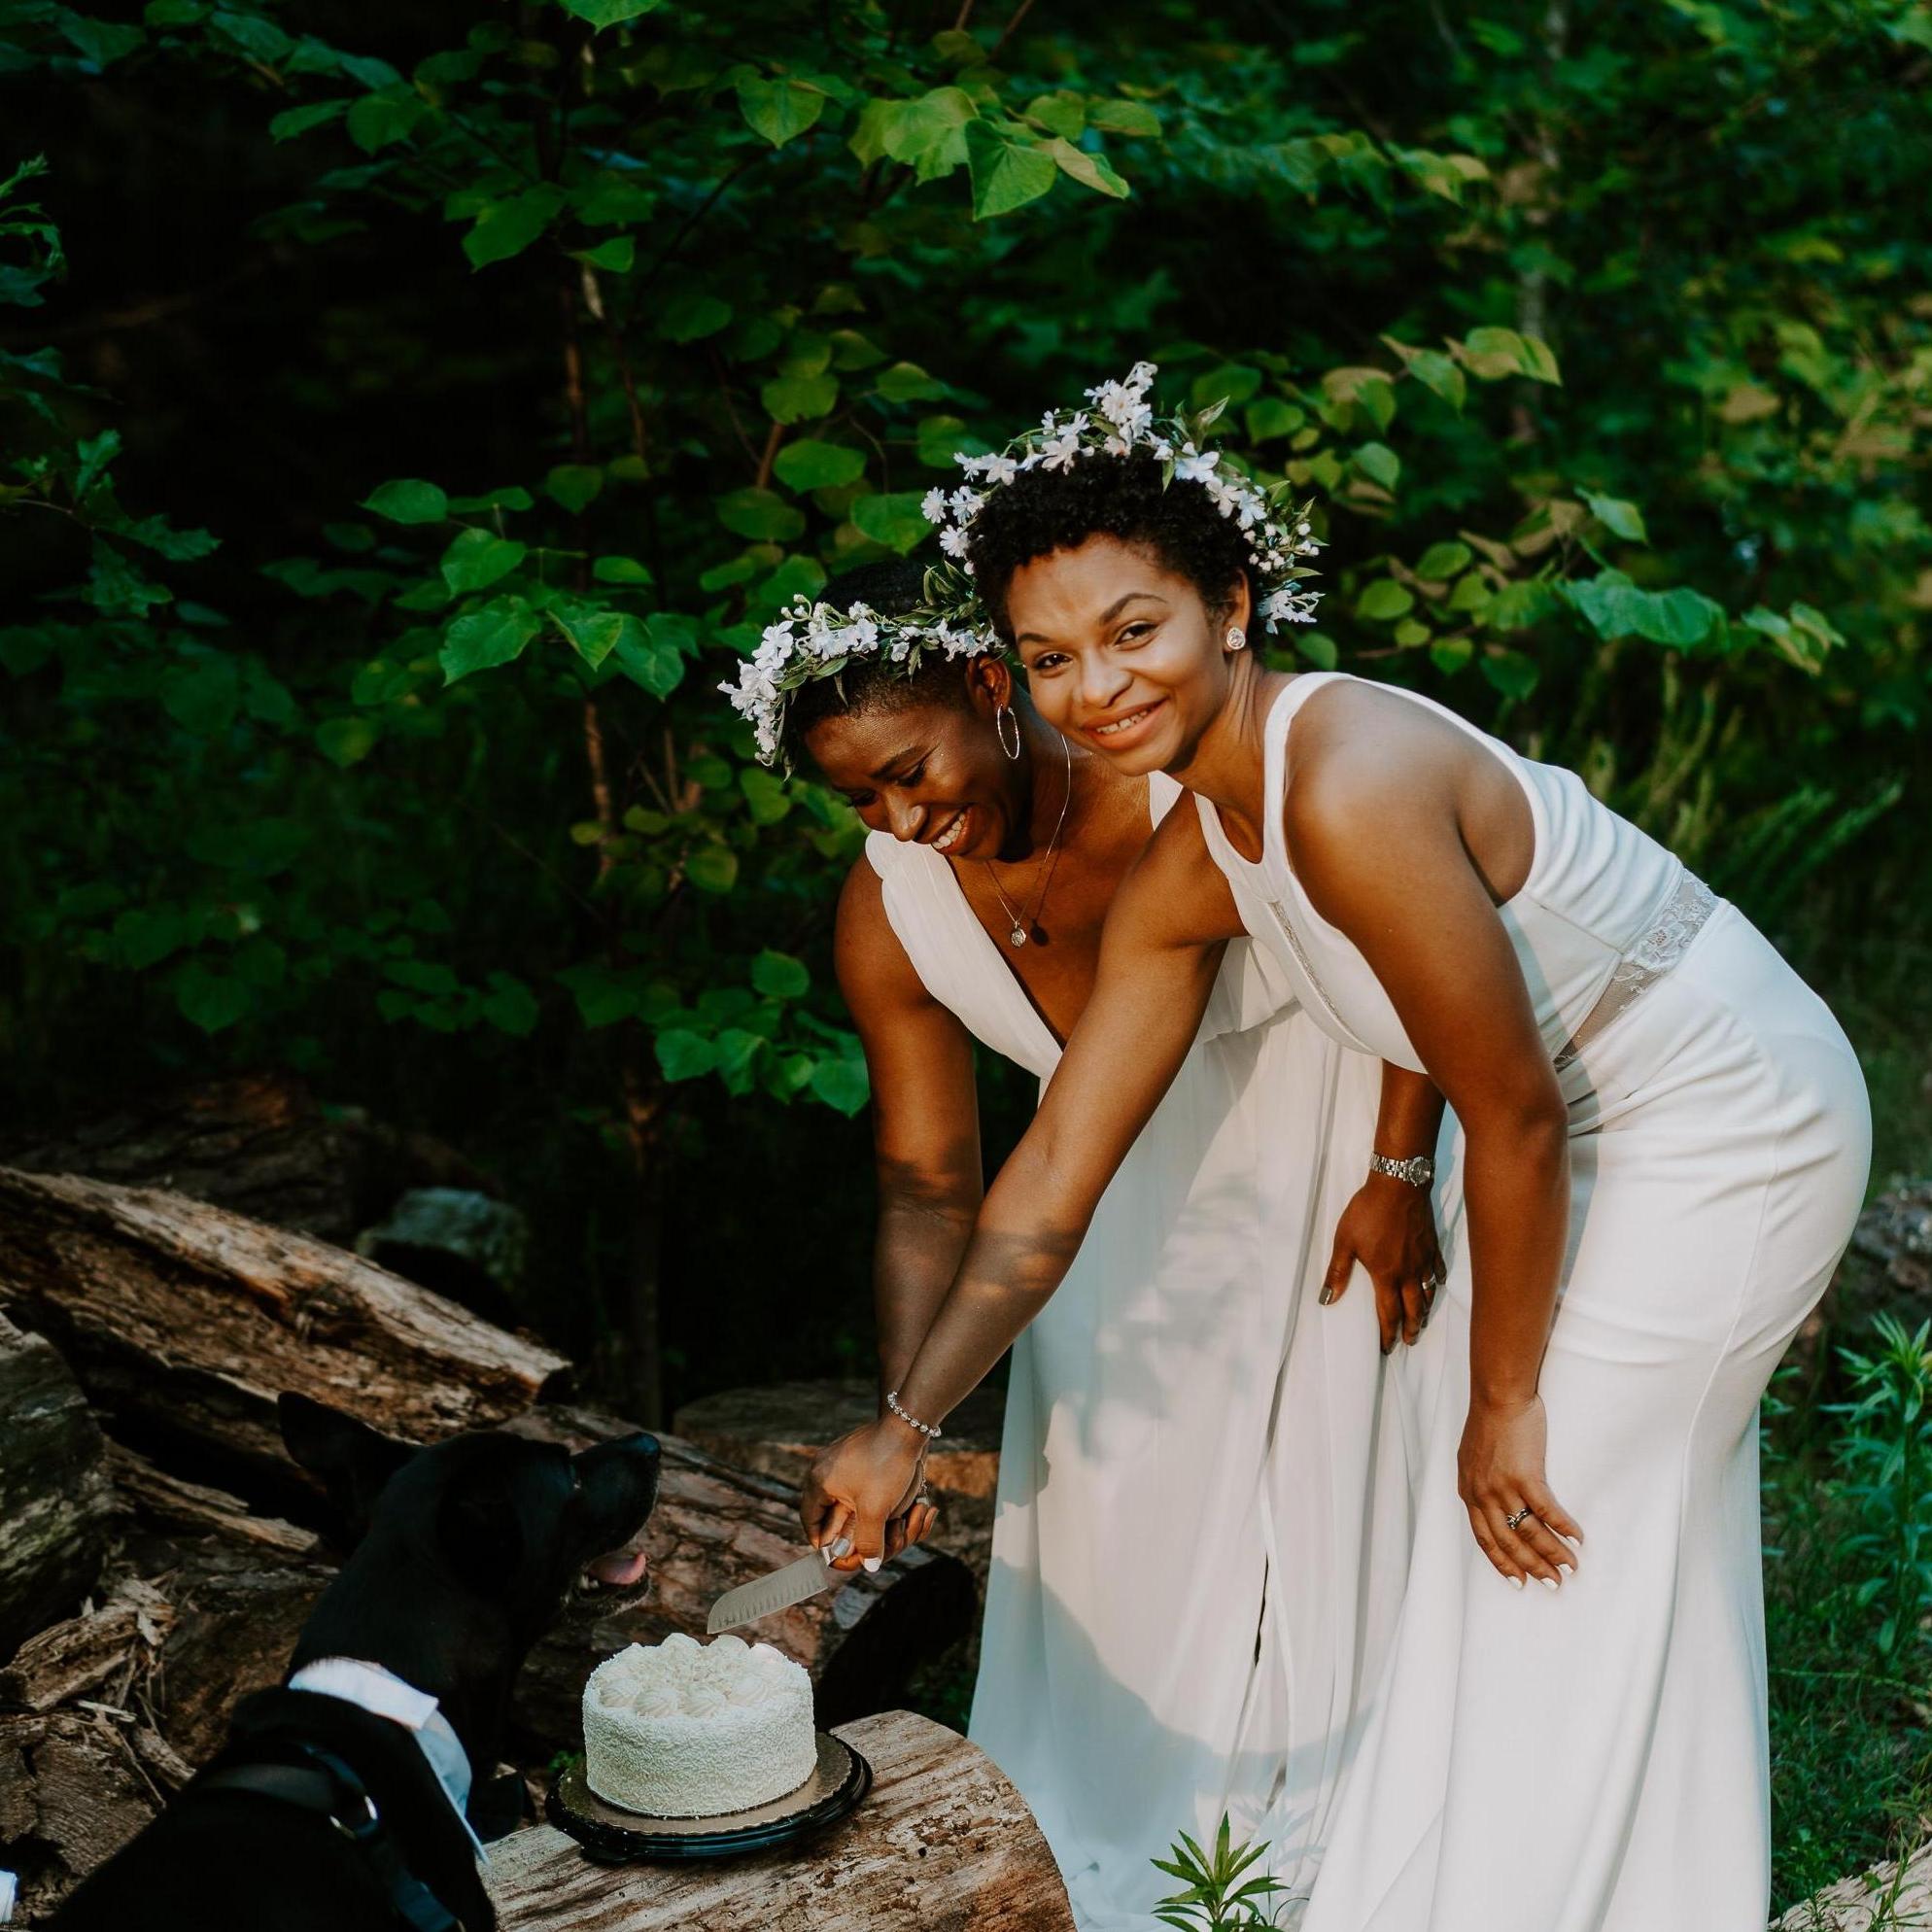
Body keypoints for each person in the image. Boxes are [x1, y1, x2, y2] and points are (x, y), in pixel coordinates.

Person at [800, 363, 1873, 1930]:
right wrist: (908, 1415)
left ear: (1232, 604)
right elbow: (1051, 1177)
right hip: (1574, 1126)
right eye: (1052, 658)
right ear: (1010, 674)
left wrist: (1501, 1397)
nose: (1097, 689)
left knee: (1551, 1497)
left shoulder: (1348, 778)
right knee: (1526, 1535)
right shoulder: (1200, 857)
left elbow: (1492, 1101)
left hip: (1723, 1113)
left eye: (1133, 631)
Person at [726, 559, 1441, 1927]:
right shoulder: (891, 907)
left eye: (909, 770)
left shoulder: (1178, 770)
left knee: (1348, 1493)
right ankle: (1146, 1853)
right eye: (859, 798)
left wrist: (1400, 1163)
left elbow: (1401, 945)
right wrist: (907, 1420)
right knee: (1123, 1512)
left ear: (992, 689)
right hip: (1095, 1201)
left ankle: (1359, 1826)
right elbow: (930, 1183)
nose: (899, 816)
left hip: (1344, 1141)